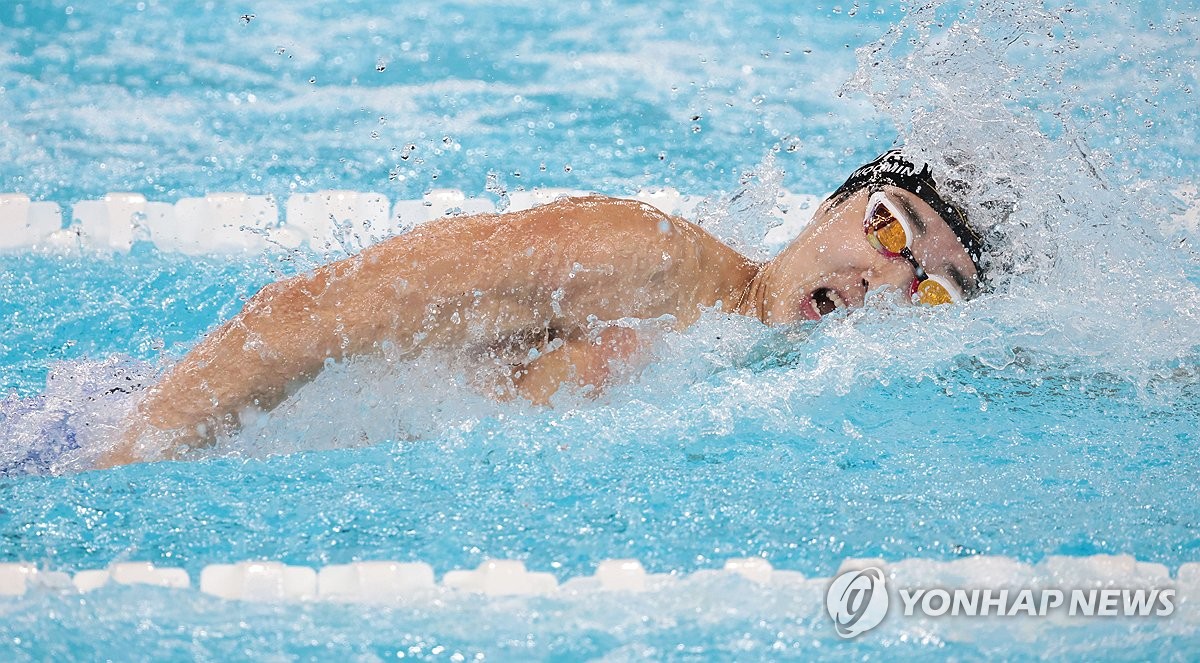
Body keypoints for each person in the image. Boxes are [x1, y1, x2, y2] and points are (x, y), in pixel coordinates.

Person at [96, 149, 987, 468]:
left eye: (935, 294)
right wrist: (130, 459)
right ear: (832, 206)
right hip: (132, 432)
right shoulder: (647, 260)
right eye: (892, 233)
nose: (890, 285)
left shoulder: (748, 379)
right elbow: (319, 312)